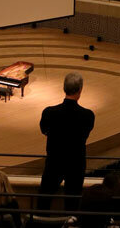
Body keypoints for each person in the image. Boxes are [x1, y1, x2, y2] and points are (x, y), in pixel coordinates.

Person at [37, 72, 95, 211]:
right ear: (80, 90)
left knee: (43, 202)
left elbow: (44, 130)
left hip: (54, 161)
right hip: (76, 164)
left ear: (64, 88)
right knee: (72, 205)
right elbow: (85, 134)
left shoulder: (49, 112)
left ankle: (39, 227)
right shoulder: (87, 115)